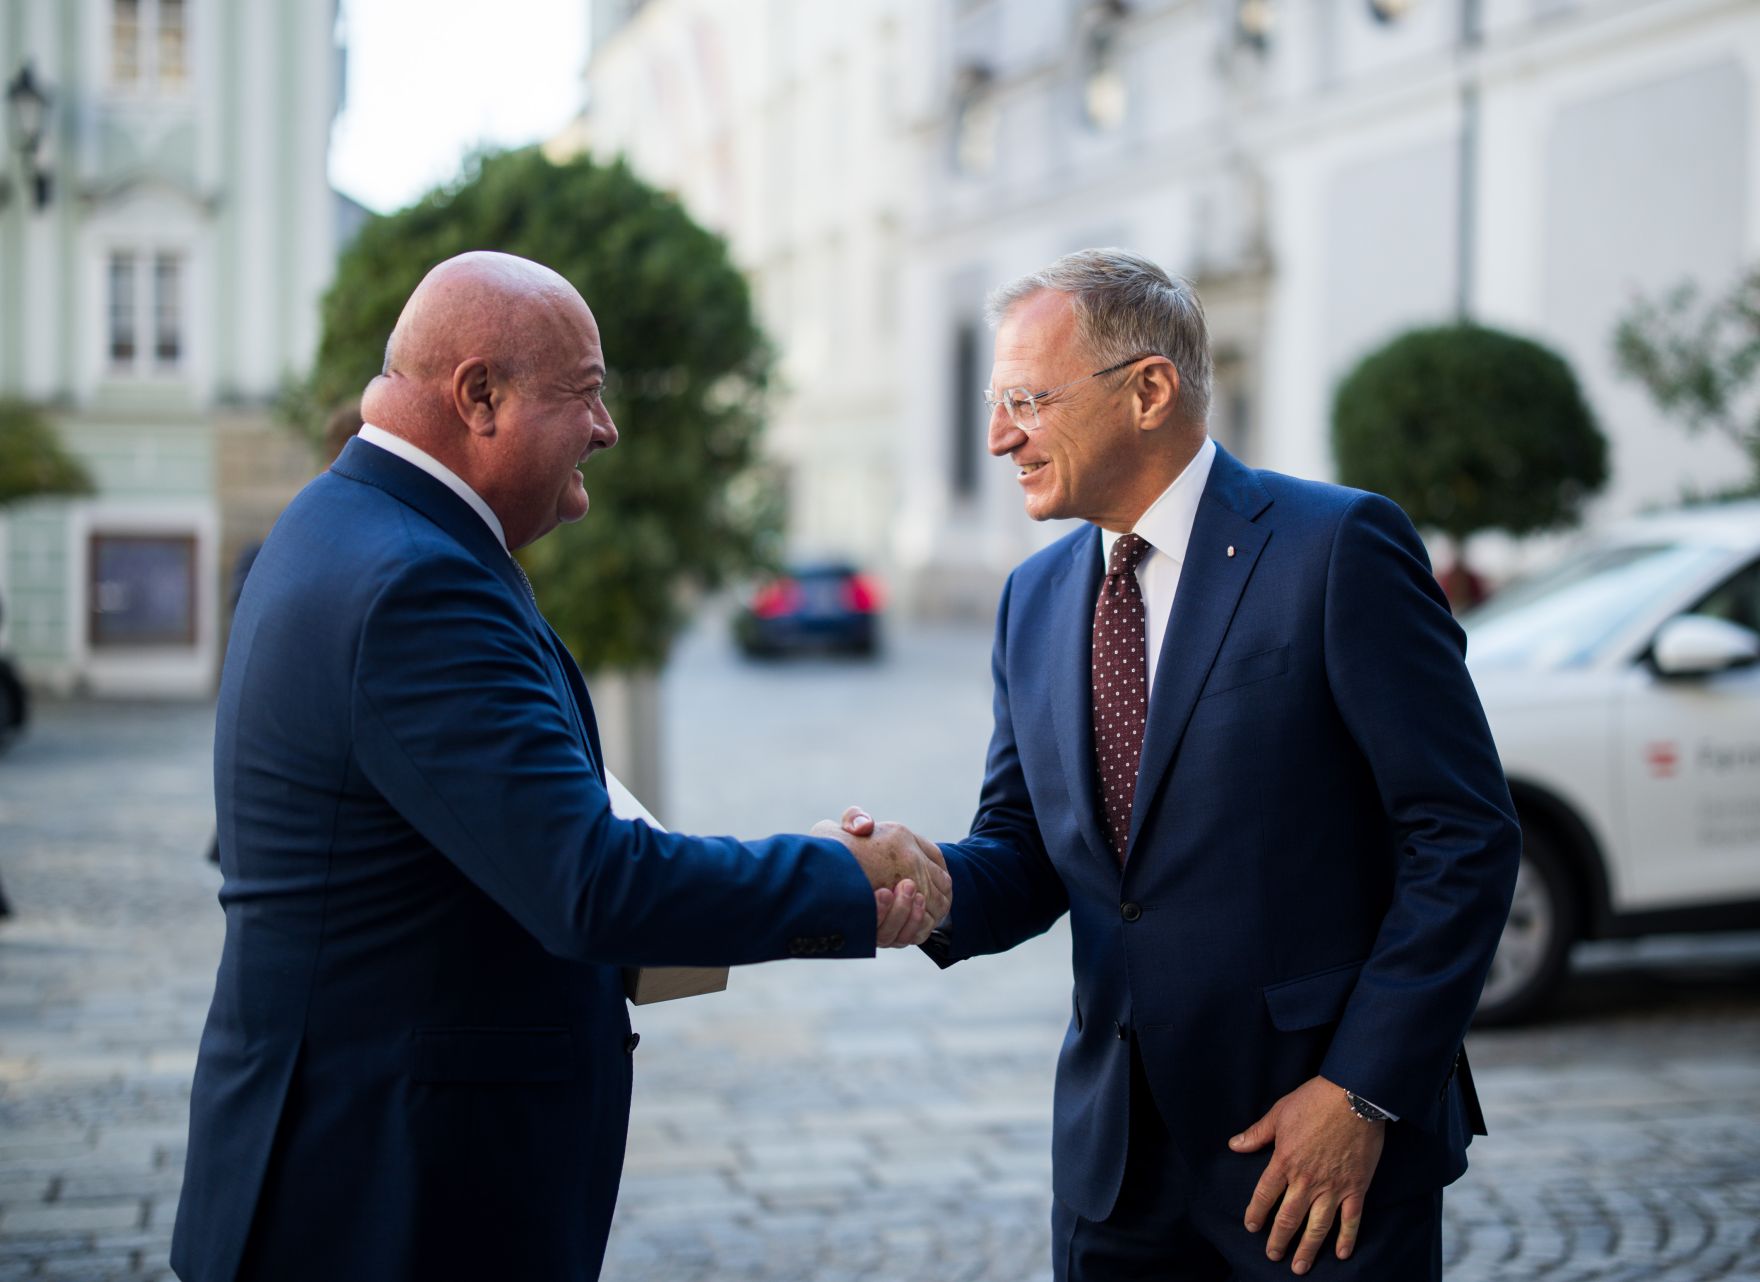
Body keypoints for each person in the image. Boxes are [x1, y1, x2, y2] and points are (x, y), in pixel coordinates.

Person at [170, 251, 949, 1282]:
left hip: (357, 1174)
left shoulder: (343, 523)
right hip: (382, 1206)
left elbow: (510, 856)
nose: (606, 428)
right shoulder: (414, 581)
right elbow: (590, 884)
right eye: (584, 393)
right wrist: (842, 876)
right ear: (479, 394)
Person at [846, 249, 1518, 1280]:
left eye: (1024, 398)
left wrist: (1361, 1091)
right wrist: (921, 878)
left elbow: (1462, 836)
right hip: (1113, 1176)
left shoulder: (1337, 547)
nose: (996, 436)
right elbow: (1029, 854)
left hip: (1313, 1160)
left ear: (1148, 389)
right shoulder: (1031, 601)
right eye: (994, 401)